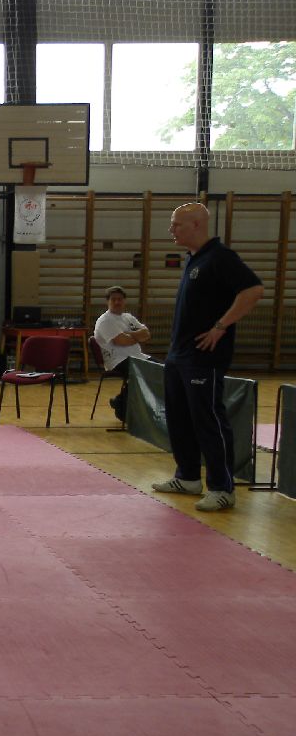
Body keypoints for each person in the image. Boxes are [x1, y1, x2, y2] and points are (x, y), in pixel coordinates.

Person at [153, 202, 264, 512]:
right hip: (179, 354)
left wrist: (220, 327)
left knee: (208, 420)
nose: (171, 230)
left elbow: (253, 290)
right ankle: (188, 476)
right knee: (180, 419)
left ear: (196, 225)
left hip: (203, 357)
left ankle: (222, 488)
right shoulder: (194, 259)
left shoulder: (220, 257)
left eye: (176, 224)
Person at [92, 285, 151, 421]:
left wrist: (128, 334)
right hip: (118, 360)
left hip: (138, 357)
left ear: (124, 301)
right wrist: (135, 336)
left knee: (164, 369)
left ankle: (120, 400)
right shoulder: (105, 321)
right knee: (145, 372)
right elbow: (122, 341)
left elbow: (147, 334)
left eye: (120, 299)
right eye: (113, 299)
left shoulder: (128, 317)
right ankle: (122, 408)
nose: (117, 302)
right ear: (108, 302)